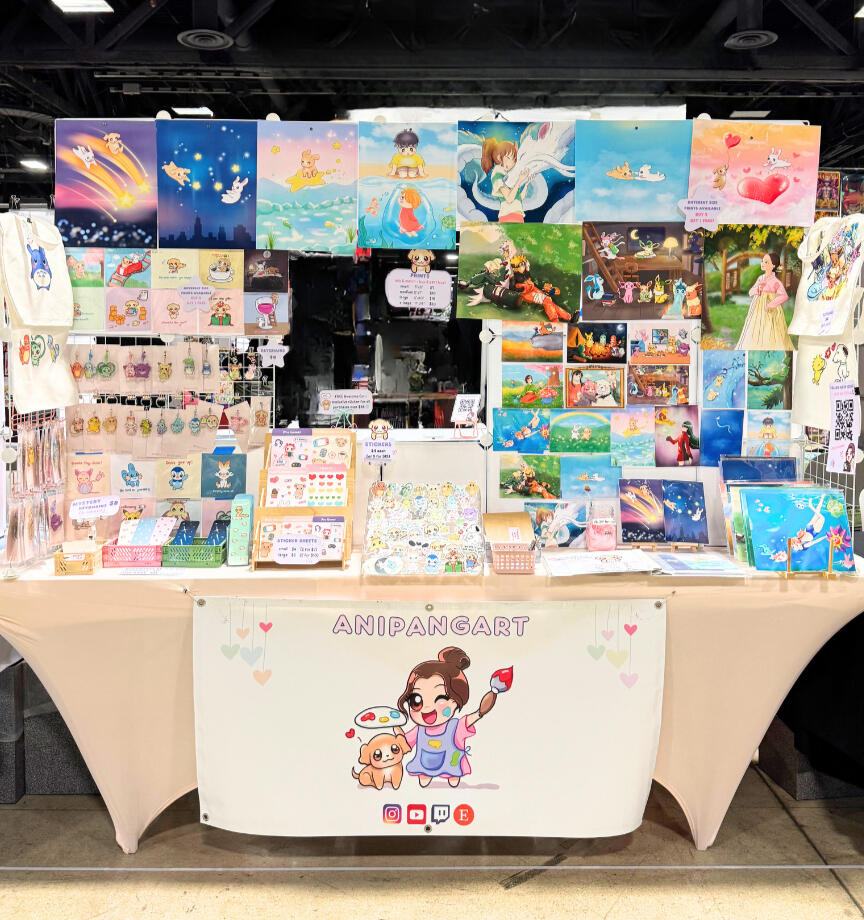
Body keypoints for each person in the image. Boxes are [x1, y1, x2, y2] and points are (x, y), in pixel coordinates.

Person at [395, 647, 504, 788]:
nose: (427, 708)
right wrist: (395, 726)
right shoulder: (419, 730)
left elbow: (473, 717)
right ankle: (427, 774)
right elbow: (404, 742)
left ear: (456, 700)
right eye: (416, 700)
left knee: (453, 777)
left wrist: (481, 712)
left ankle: (451, 775)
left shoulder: (455, 726)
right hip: (424, 765)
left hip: (450, 764)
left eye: (440, 698)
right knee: (424, 779)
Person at [736, 252, 792, 350]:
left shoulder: (775, 281)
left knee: (770, 329)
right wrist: (758, 289)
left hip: (770, 310)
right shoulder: (760, 278)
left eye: (766, 262)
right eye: (762, 261)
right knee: (756, 328)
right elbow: (751, 292)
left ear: (773, 266)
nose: (762, 263)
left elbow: (784, 296)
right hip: (758, 308)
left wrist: (771, 304)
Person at [480, 138, 531, 223]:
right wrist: (519, 181)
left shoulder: (509, 175)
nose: (512, 162)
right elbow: (509, 199)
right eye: (509, 158)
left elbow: (519, 198)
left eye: (514, 159)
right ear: (499, 157)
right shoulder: (498, 174)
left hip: (518, 217)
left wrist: (526, 184)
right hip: (508, 217)